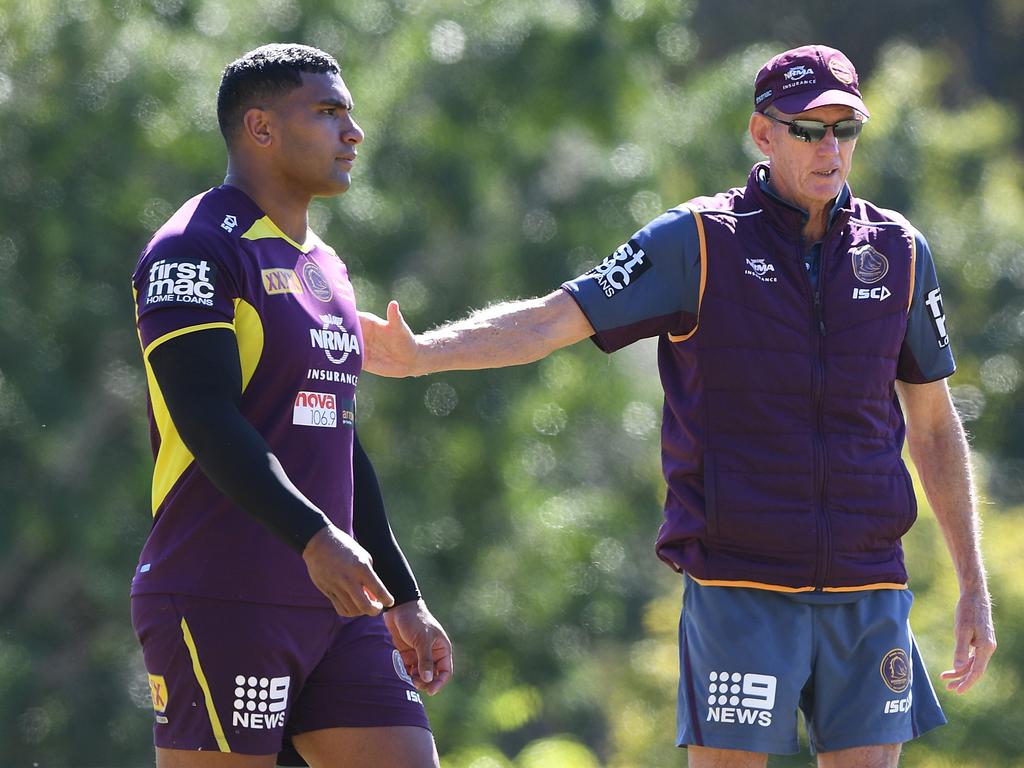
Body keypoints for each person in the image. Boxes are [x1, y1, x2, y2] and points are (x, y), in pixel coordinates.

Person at [359, 44, 996, 767]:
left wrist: (973, 585)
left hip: (869, 584)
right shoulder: (695, 240)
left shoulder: (901, 251)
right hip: (738, 585)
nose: (831, 150)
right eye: (808, 130)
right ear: (763, 133)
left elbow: (937, 427)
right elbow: (548, 320)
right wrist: (420, 355)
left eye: (844, 130)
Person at [130, 44, 451, 768]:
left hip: (339, 602)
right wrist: (312, 536)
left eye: (350, 112)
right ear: (261, 129)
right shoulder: (192, 249)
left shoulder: (324, 265)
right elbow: (206, 418)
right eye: (329, 111)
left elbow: (338, 439)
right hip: (223, 592)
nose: (353, 132)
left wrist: (402, 594)